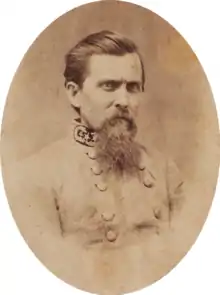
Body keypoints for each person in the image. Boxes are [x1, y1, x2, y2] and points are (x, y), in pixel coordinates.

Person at [3, 30, 185, 293]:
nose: (124, 101)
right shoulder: (35, 176)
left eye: (133, 88)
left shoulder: (165, 170)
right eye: (109, 86)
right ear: (74, 94)